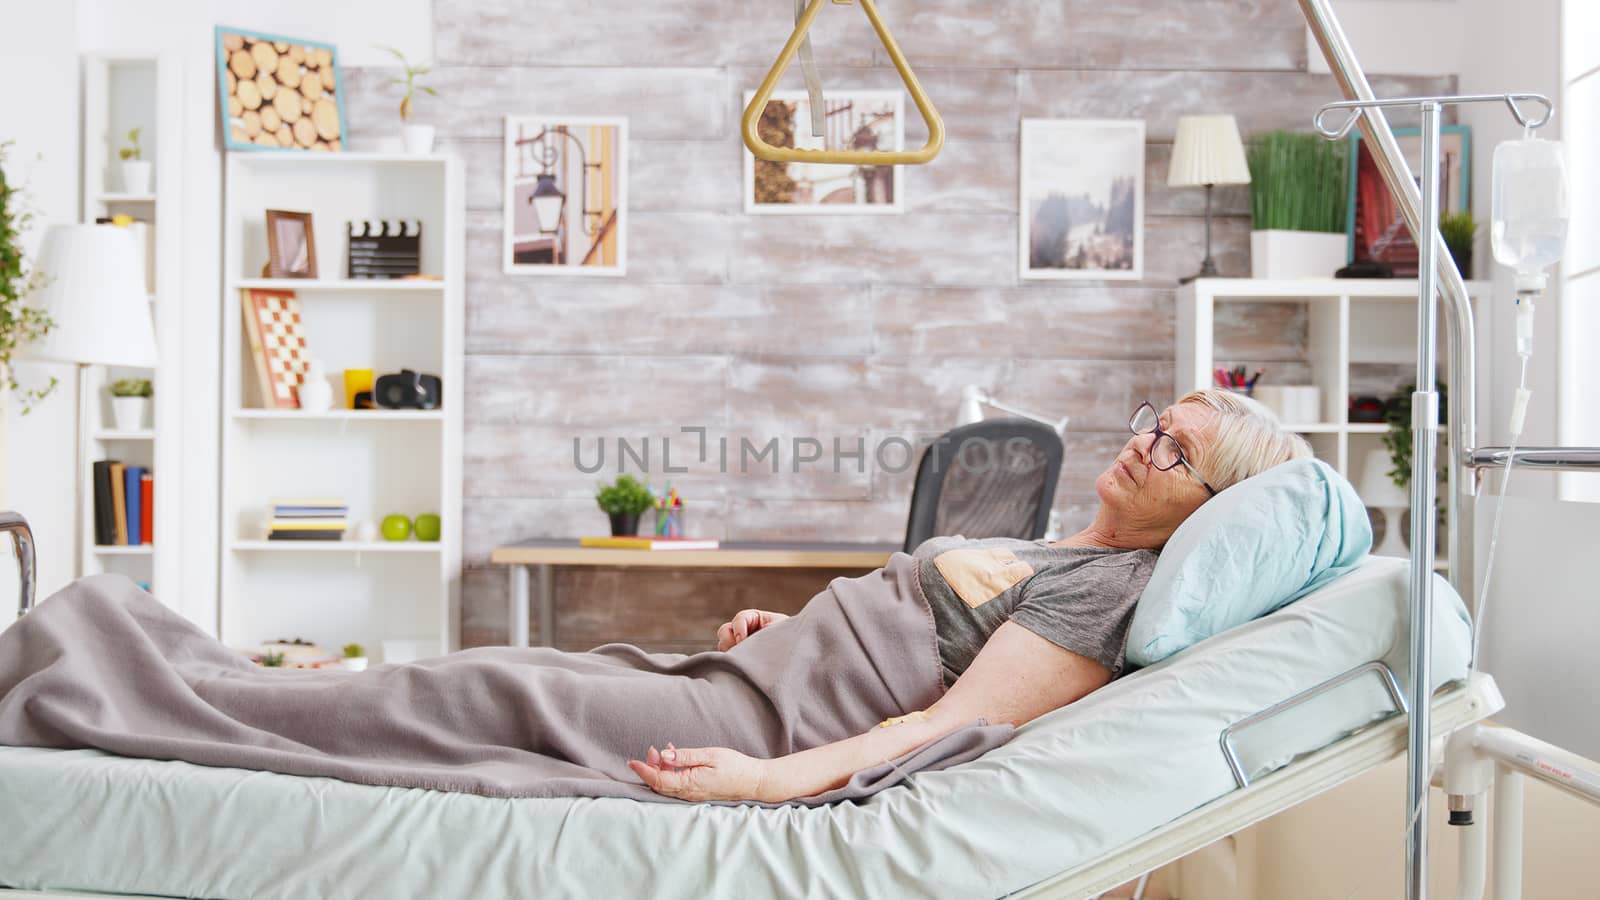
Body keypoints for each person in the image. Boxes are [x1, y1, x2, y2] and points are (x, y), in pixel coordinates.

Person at [629, 389, 1312, 802]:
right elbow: (944, 637)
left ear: (1206, 507)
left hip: (780, 720)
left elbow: (949, 721)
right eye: (1155, 425)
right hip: (767, 675)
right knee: (559, 676)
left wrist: (760, 782)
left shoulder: (1108, 588)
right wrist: (792, 632)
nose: (1143, 444)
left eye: (1175, 452)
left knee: (533, 698)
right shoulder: (1064, 547)